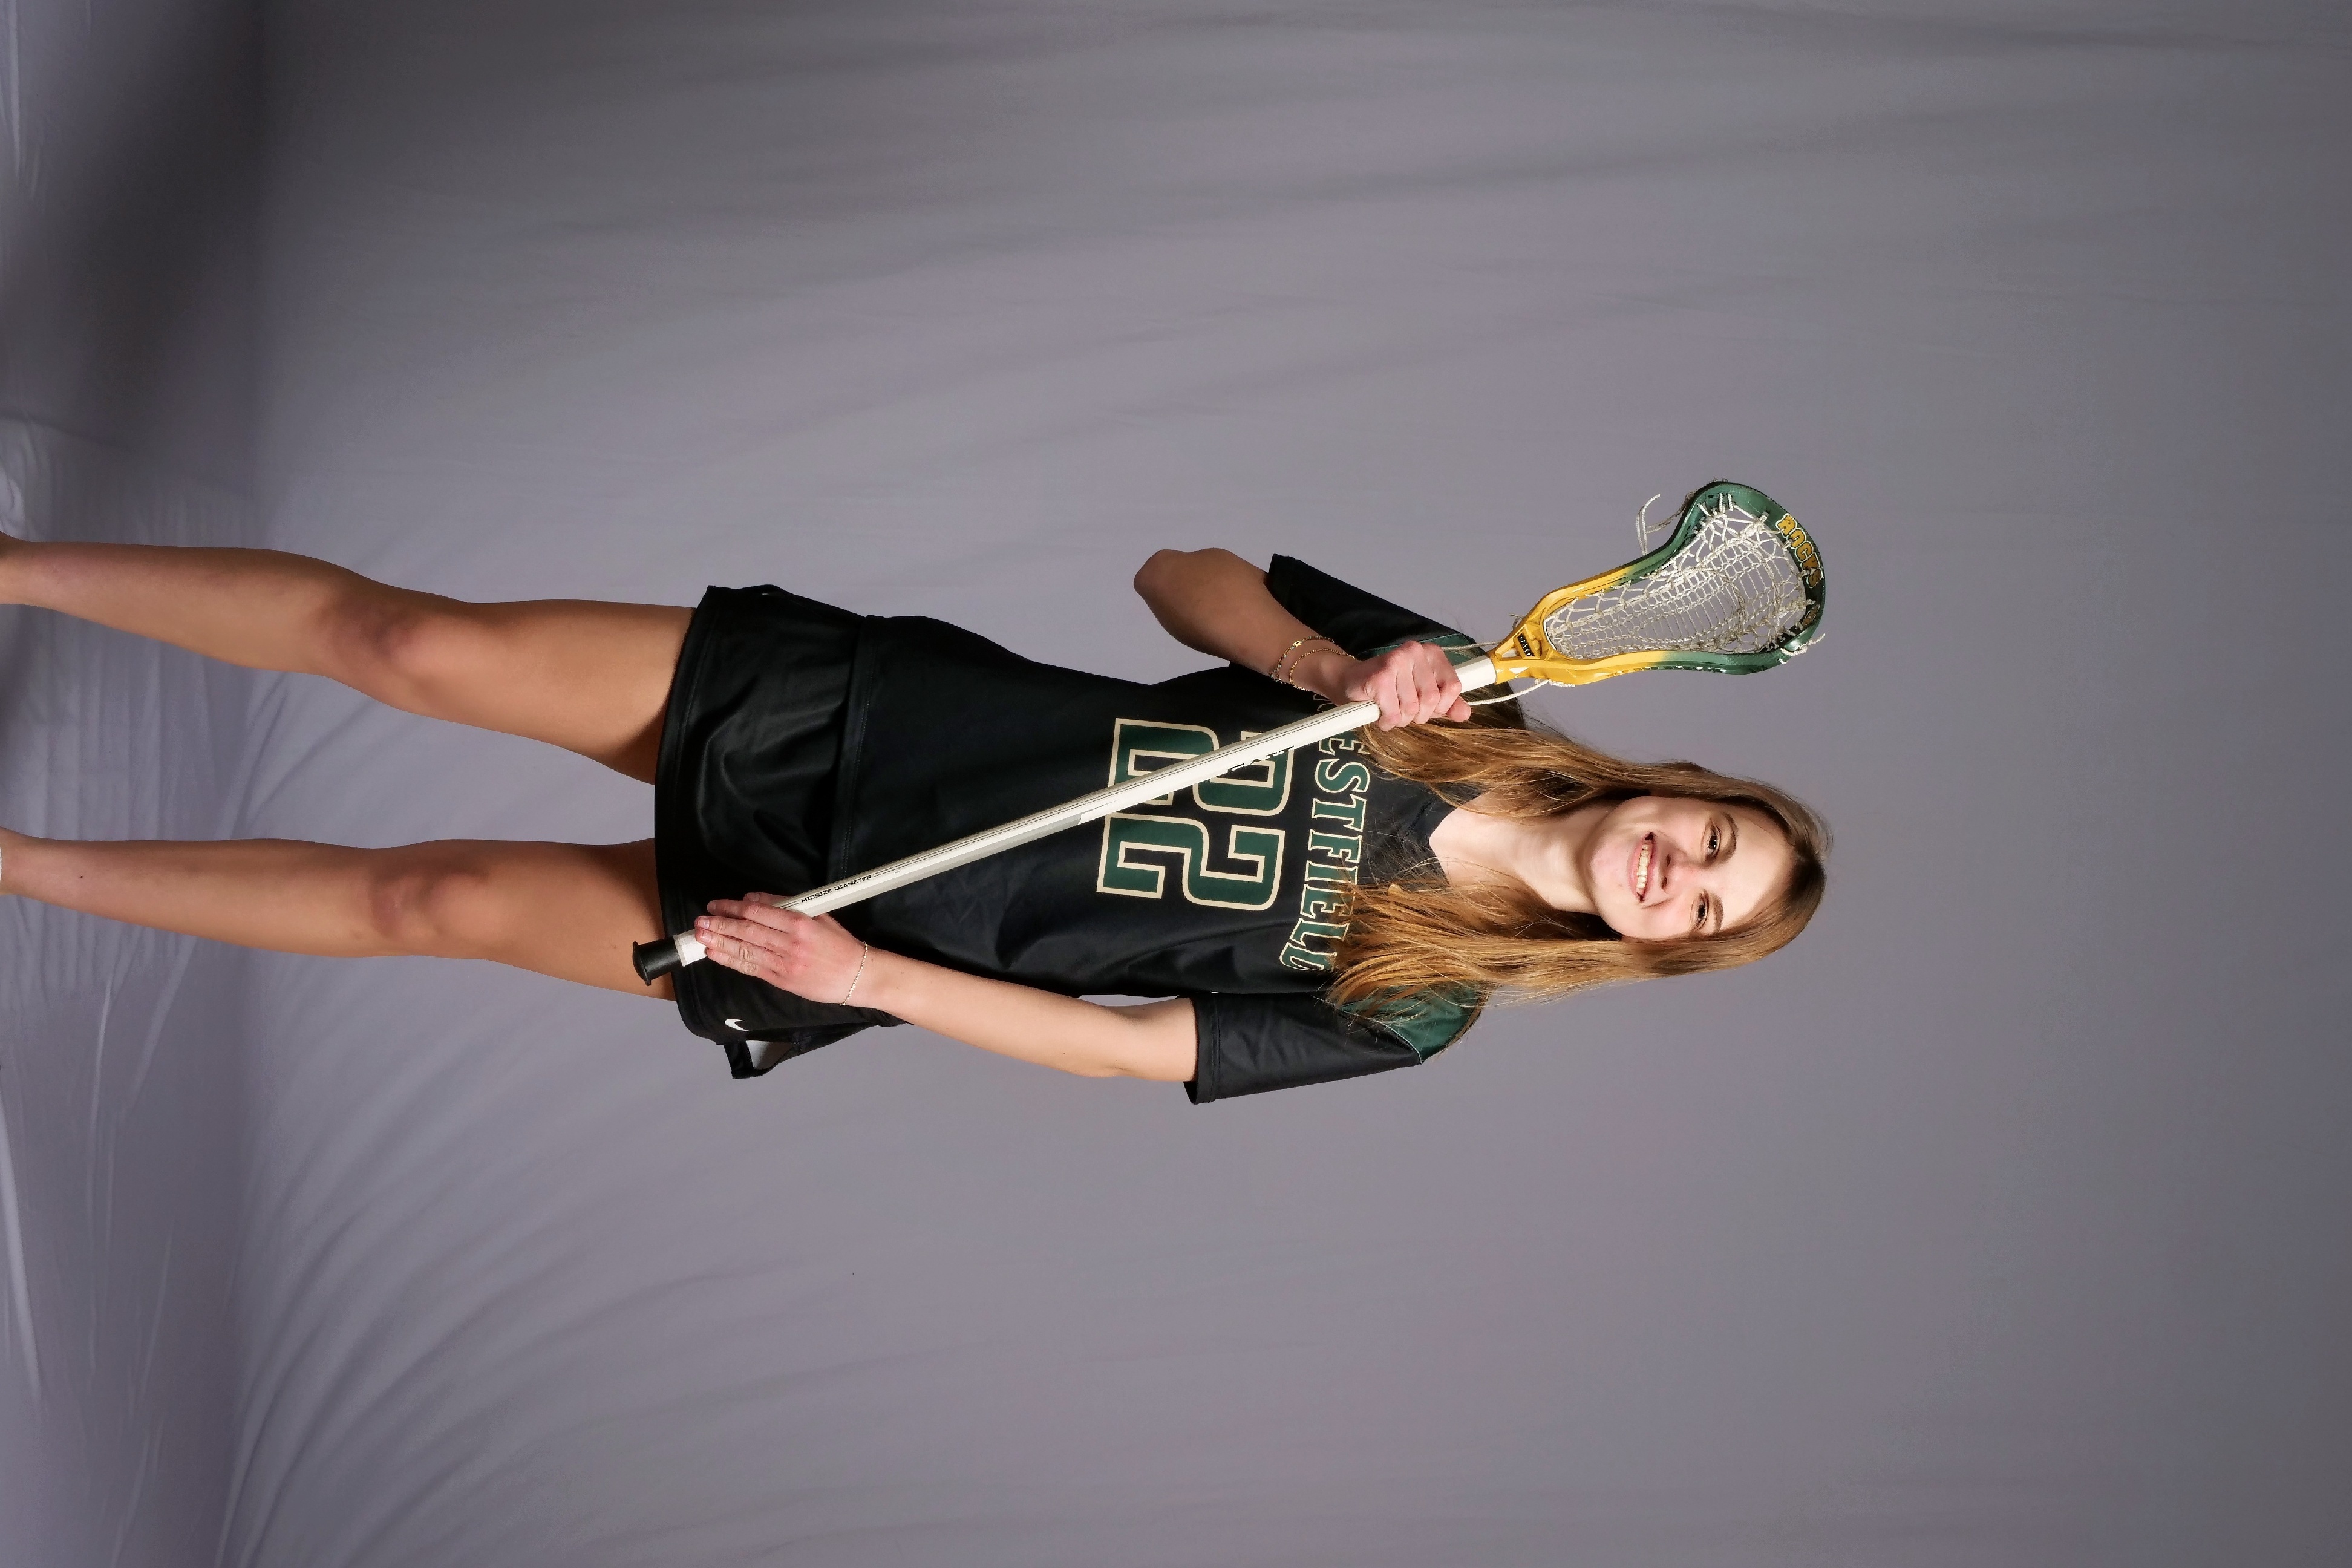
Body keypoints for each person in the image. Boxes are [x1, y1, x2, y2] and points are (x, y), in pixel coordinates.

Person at [0, 531, 1826, 1101]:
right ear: (1684, 786)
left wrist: (865, 983)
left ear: (1657, 951)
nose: (1681, 874)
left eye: (1703, 911)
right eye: (1715, 842)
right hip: (870, 719)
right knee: (413, 645)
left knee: (432, 904)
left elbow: (1128, 1049)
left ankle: (12, 865)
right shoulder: (1460, 700)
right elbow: (1175, 573)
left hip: (865, 925)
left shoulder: (1419, 1009)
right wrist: (1323, 661)